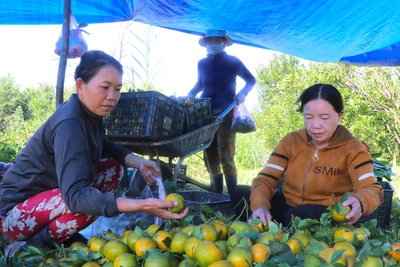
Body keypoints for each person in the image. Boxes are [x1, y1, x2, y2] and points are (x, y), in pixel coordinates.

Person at [0, 50, 188, 250]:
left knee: (113, 169)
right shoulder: (69, 123)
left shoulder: (88, 114)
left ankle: (55, 233)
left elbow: (104, 145)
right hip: (15, 214)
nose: (112, 97)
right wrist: (142, 205)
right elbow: (76, 197)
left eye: (117, 89)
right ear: (80, 85)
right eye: (105, 87)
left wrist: (139, 162)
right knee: (89, 204)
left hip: (50, 196)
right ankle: (34, 244)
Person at [231, 83, 383, 226]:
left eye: (324, 118)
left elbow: (372, 188)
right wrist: (260, 205)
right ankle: (267, 221)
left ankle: (282, 226)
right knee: (240, 194)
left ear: (339, 116)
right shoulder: (291, 141)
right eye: (308, 117)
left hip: (326, 213)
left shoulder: (354, 149)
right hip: (290, 205)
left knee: (299, 215)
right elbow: (265, 179)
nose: (315, 125)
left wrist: (360, 201)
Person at [186, 29, 256, 195]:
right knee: (209, 153)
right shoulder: (202, 63)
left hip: (227, 111)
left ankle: (233, 196)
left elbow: (251, 80)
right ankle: (216, 193)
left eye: (217, 40)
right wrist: (190, 94)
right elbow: (200, 84)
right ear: (206, 43)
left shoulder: (233, 61)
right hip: (206, 112)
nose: (213, 43)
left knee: (226, 153)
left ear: (224, 42)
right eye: (210, 40)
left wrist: (243, 93)